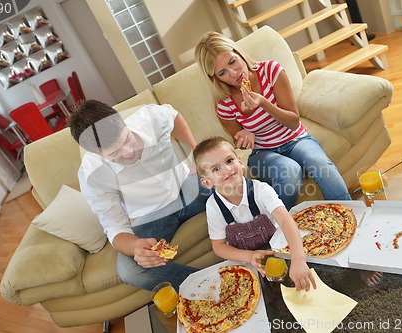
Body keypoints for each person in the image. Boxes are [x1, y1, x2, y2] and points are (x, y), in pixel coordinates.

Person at [195, 32, 382, 287]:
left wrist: (262, 104)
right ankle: (286, 244)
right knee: (290, 172)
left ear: (238, 54)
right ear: (215, 78)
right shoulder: (225, 103)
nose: (233, 73)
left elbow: (293, 120)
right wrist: (244, 134)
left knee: (321, 166)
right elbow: (237, 139)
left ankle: (358, 247)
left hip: (296, 138)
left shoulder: (271, 71)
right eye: (222, 73)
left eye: (232, 62)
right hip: (264, 152)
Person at [68, 100, 211, 291]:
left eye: (127, 140)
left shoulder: (150, 118)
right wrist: (135, 246)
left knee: (238, 186)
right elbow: (114, 226)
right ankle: (209, 286)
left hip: (186, 185)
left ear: (123, 123)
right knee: (130, 271)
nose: (129, 152)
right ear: (98, 154)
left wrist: (196, 152)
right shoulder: (92, 175)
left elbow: (173, 116)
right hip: (152, 217)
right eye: (115, 153)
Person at [193, 136, 316, 291]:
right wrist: (249, 256)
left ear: (240, 161)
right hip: (247, 262)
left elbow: (286, 221)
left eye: (229, 161)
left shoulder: (261, 190)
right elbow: (219, 247)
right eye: (216, 169)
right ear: (207, 183)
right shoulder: (213, 206)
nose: (227, 169)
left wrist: (298, 258)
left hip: (279, 250)